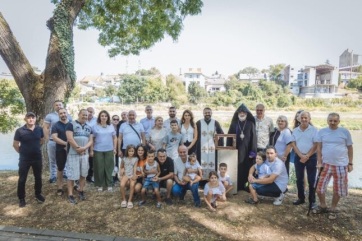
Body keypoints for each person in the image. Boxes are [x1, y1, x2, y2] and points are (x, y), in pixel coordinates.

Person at [314, 113, 353, 220]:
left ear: (339, 121)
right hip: (325, 164)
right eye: (330, 120)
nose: (332, 122)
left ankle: (333, 208)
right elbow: (319, 149)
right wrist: (319, 162)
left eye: (335, 121)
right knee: (319, 188)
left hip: (341, 165)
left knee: (338, 189)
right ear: (327, 120)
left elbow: (350, 148)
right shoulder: (322, 132)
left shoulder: (344, 132)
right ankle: (323, 205)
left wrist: (350, 163)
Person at [13, 112, 45, 207]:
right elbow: (15, 144)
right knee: (22, 179)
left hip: (37, 158)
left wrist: (36, 148)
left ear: (35, 119)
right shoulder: (19, 131)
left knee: (38, 177)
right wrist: (22, 152)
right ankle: (21, 198)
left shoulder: (39, 129)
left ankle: (38, 194)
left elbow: (42, 140)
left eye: (33, 117)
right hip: (24, 159)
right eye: (29, 118)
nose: (31, 119)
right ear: (25, 119)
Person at [65, 109, 93, 204]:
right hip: (73, 154)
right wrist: (78, 148)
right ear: (79, 114)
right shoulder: (71, 124)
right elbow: (69, 138)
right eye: (83, 115)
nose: (85, 117)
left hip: (84, 154)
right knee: (72, 175)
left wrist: (84, 148)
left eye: (86, 115)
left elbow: (90, 140)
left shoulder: (89, 127)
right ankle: (70, 194)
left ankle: (81, 190)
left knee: (83, 174)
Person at [227, 103, 257, 191]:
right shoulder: (234, 124)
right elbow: (229, 137)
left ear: (247, 113)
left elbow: (254, 139)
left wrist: (253, 152)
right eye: (240, 112)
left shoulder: (251, 124)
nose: (242, 113)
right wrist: (229, 149)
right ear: (237, 113)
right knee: (237, 168)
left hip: (247, 151)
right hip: (236, 151)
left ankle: (247, 186)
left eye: (244, 112)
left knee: (247, 168)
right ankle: (238, 186)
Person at [291, 111, 318, 207]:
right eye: (302, 117)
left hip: (312, 157)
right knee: (299, 179)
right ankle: (301, 198)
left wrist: (307, 156)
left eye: (306, 117)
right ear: (299, 119)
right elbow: (293, 144)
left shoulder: (314, 130)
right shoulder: (295, 130)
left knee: (311, 180)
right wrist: (301, 155)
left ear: (309, 119)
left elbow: (316, 144)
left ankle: (312, 201)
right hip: (299, 157)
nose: (304, 119)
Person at [43, 100, 72, 183]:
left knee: (65, 158)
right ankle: (53, 176)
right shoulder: (50, 116)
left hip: (65, 141)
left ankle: (65, 173)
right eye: (56, 105)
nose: (58, 106)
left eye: (60, 105)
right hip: (53, 141)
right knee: (53, 159)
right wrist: (47, 139)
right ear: (54, 106)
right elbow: (46, 128)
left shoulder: (68, 116)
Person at [91, 110, 117, 192]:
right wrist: (91, 150)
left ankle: (109, 184)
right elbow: (92, 138)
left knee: (109, 167)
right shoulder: (95, 127)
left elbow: (115, 138)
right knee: (99, 167)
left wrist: (115, 148)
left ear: (108, 118)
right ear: (99, 117)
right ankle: (100, 184)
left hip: (109, 149)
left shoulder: (111, 126)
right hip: (98, 150)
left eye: (105, 116)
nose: (104, 117)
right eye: (102, 116)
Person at [196, 107, 224, 180]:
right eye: (206, 113)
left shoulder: (215, 122)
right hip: (201, 148)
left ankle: (212, 179)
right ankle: (202, 180)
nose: (207, 114)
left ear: (211, 113)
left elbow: (221, 134)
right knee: (201, 162)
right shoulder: (199, 123)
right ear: (203, 113)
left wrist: (218, 138)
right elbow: (195, 135)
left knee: (212, 163)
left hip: (212, 147)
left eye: (209, 113)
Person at [51, 108, 70, 196]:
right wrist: (66, 144)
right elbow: (55, 138)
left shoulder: (72, 124)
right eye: (61, 113)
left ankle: (73, 185)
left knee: (73, 167)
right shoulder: (56, 125)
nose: (63, 114)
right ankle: (60, 187)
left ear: (67, 113)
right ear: (59, 115)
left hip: (72, 150)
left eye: (64, 113)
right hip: (60, 149)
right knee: (60, 168)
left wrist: (70, 145)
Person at [85, 107, 97, 183]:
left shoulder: (96, 120)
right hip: (84, 143)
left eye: (91, 112)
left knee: (92, 160)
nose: (90, 113)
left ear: (94, 113)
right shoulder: (82, 119)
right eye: (88, 111)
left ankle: (90, 176)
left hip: (94, 143)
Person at [111, 114, 121, 183]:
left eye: (117, 119)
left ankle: (117, 176)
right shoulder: (110, 128)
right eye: (114, 119)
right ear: (111, 120)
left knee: (118, 162)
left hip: (118, 148)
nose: (116, 120)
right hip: (111, 147)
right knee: (112, 163)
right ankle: (112, 177)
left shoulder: (120, 128)